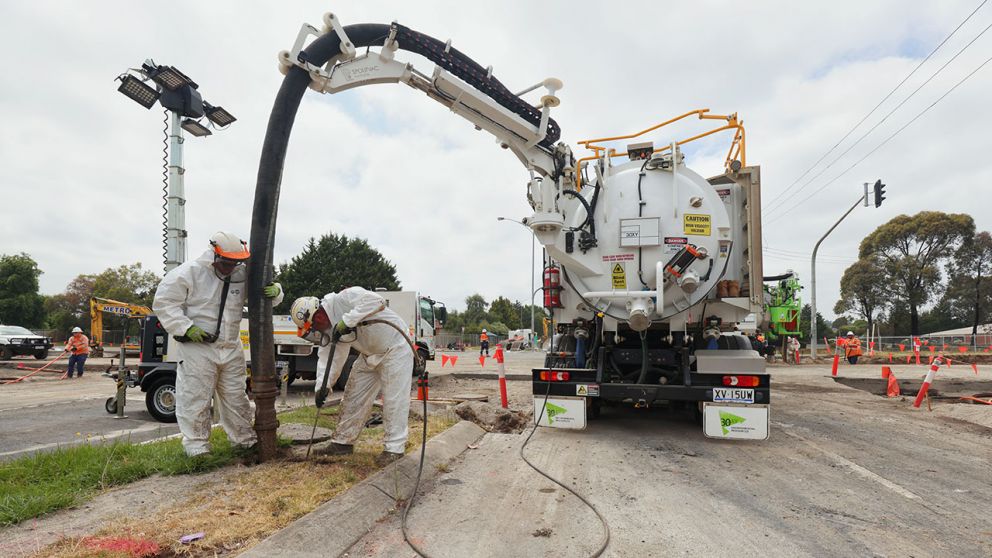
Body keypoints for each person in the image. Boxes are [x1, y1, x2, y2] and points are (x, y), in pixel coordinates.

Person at [152, 232, 283, 457]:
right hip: (198, 349)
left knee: (236, 398)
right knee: (195, 397)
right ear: (214, 254)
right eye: (226, 262)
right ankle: (197, 449)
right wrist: (185, 327)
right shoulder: (189, 273)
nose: (230, 267)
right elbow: (164, 303)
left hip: (231, 347)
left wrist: (277, 291)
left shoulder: (240, 275)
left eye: (235, 263)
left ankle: (244, 443)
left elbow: (264, 296)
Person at [290, 287, 413, 466]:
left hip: (396, 347)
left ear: (317, 316)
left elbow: (376, 301)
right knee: (353, 395)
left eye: (314, 326)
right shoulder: (330, 330)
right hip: (369, 355)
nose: (315, 331)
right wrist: (322, 387)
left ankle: (394, 450)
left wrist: (347, 321)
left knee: (394, 400)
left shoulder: (344, 298)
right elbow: (329, 358)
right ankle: (342, 443)